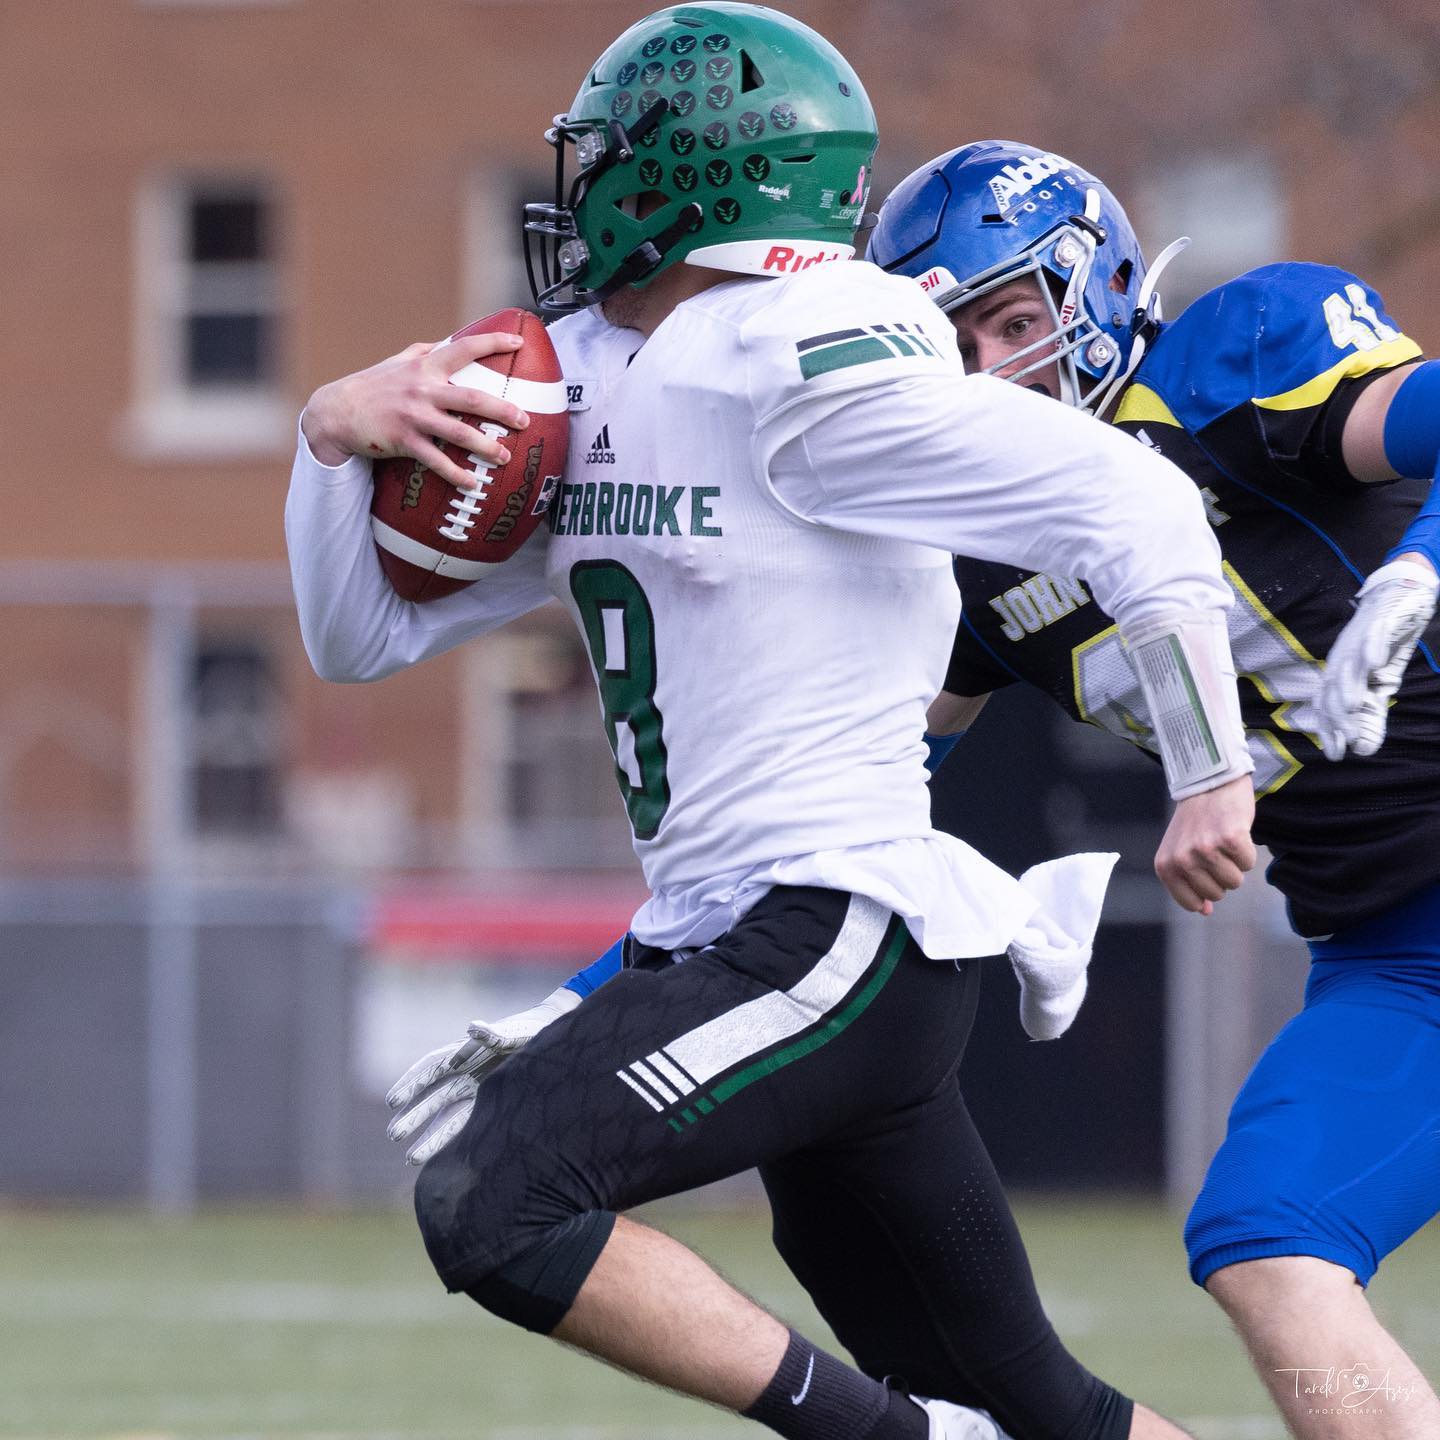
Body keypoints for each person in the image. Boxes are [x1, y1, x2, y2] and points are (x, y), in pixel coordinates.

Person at [289, 10, 1257, 1435]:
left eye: (604, 156)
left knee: (496, 1198)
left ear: (690, 172)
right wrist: (331, 437)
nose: (575, 187)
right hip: (729, 936)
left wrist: (1210, 768)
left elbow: (1139, 505)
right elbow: (355, 635)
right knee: (1045, 1411)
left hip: (837, 928)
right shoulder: (567, 372)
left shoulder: (802, 340)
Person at [861, 141, 1440, 1440]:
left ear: (1102, 285)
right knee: (1267, 1242)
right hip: (1400, 952)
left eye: (1014, 319)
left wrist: (1416, 570)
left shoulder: (1233, 357)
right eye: (950, 343)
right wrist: (613, 991)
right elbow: (847, 802)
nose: (992, 368)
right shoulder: (982, 561)